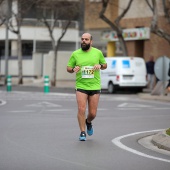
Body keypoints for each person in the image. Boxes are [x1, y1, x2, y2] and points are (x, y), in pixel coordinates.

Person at [67, 33, 107, 141]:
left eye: (86, 39)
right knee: (81, 109)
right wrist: (73, 69)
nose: (83, 41)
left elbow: (104, 65)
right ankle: (82, 132)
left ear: (91, 42)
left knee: (92, 113)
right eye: (82, 39)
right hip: (81, 85)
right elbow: (69, 68)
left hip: (94, 85)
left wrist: (100, 66)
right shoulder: (75, 54)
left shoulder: (97, 53)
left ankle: (88, 122)